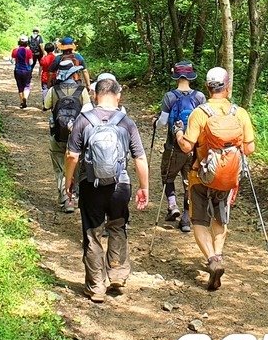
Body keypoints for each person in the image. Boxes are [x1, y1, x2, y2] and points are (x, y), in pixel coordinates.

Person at [64, 73, 150, 302]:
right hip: (120, 185)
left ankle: (95, 287)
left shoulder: (84, 119)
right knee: (117, 226)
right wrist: (144, 187)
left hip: (90, 185)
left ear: (94, 94)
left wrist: (68, 181)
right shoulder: (126, 122)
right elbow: (140, 158)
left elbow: (72, 156)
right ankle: (117, 274)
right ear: (118, 96)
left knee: (92, 233)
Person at [175, 66, 256, 291]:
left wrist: (179, 133)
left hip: (200, 175)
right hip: (228, 176)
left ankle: (212, 259)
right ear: (227, 87)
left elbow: (186, 147)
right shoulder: (239, 113)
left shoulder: (199, 113)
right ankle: (218, 254)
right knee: (220, 219)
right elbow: (249, 149)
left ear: (207, 88)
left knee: (199, 220)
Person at [156, 61, 205, 233]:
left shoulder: (169, 97)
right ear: (191, 77)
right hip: (193, 147)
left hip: (173, 146)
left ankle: (171, 205)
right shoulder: (199, 97)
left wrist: (155, 122)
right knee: (189, 182)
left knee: (167, 176)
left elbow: (162, 122)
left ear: (176, 77)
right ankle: (185, 218)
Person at [45, 58, 91, 213]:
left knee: (60, 166)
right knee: (76, 165)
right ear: (74, 74)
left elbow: (46, 106)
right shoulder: (82, 90)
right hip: (77, 137)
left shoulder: (54, 90)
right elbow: (88, 112)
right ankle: (74, 195)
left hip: (57, 134)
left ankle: (65, 198)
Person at [10, 37, 38, 109]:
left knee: (20, 86)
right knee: (27, 86)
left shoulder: (15, 50)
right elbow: (31, 63)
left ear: (19, 42)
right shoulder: (28, 51)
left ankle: (22, 102)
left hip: (18, 70)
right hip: (27, 71)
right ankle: (25, 98)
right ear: (27, 43)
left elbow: (12, 61)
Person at [38, 41, 59, 106]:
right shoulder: (56, 58)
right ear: (53, 49)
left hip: (45, 76)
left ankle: (45, 103)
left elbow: (41, 67)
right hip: (54, 76)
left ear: (45, 49)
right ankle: (53, 103)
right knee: (53, 90)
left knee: (45, 89)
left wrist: (39, 74)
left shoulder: (43, 58)